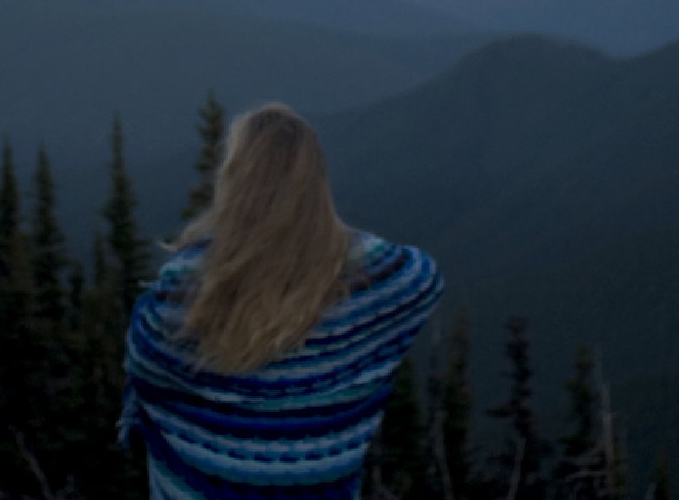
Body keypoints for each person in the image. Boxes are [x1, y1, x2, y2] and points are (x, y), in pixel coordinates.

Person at [120, 102, 444, 500]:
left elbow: (144, 378)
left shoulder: (177, 301)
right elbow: (423, 277)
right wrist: (335, 244)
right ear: (315, 184)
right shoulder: (374, 292)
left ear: (233, 181)